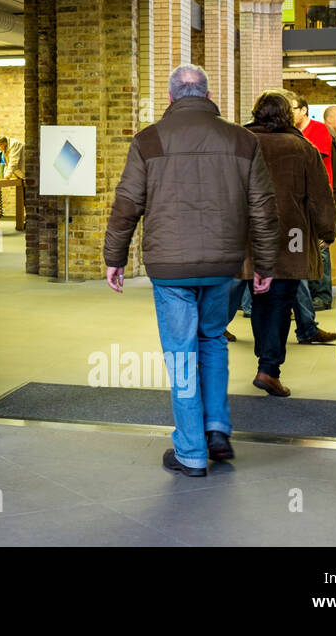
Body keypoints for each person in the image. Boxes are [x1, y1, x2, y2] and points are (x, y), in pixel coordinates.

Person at [104, 64, 278, 477]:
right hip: (223, 265)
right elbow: (264, 208)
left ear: (170, 97)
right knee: (213, 341)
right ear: (206, 93)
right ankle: (217, 429)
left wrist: (115, 257)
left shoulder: (148, 140)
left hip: (170, 269)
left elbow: (127, 204)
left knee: (182, 353)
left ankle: (191, 450)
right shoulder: (242, 139)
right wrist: (266, 262)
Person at [243, 91, 336, 397]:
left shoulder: (241, 143)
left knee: (259, 297)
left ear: (258, 113)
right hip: (291, 236)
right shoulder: (302, 147)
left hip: (249, 235)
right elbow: (320, 196)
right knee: (281, 301)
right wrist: (329, 231)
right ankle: (268, 367)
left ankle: (264, 356)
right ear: (288, 115)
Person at [286, 93, 336, 343]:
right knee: (297, 263)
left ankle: (322, 296)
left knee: (317, 250)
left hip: (313, 199)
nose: (291, 113)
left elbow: (317, 166)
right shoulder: (287, 135)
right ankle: (307, 324)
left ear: (304, 110)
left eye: (294, 108)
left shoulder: (317, 132)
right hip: (294, 206)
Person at [0, 133, 25, 233]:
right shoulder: (5, 147)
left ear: (3, 143)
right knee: (25, 199)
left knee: (26, 199)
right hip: (19, 174)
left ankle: (27, 223)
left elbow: (13, 163)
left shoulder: (14, 145)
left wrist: (5, 177)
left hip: (24, 174)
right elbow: (6, 164)